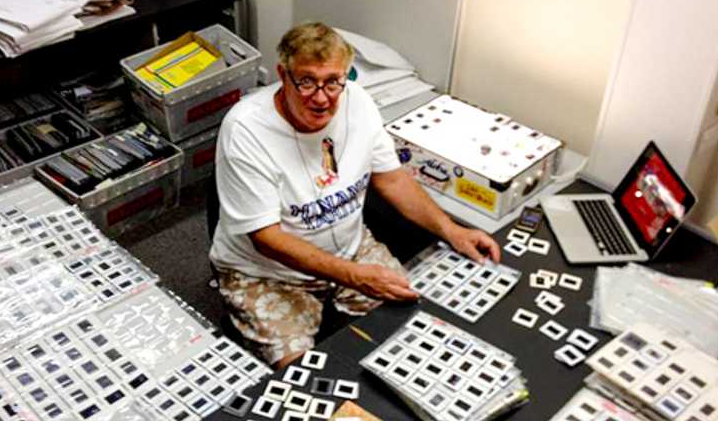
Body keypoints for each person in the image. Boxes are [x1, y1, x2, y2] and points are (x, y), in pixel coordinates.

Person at [209, 22, 500, 368]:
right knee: (303, 379)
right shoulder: (245, 129)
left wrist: (451, 230)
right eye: (306, 81)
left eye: (333, 81)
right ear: (283, 75)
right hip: (267, 272)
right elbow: (266, 239)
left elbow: (392, 180)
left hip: (351, 247)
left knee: (416, 335)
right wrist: (353, 276)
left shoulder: (358, 102)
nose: (321, 98)